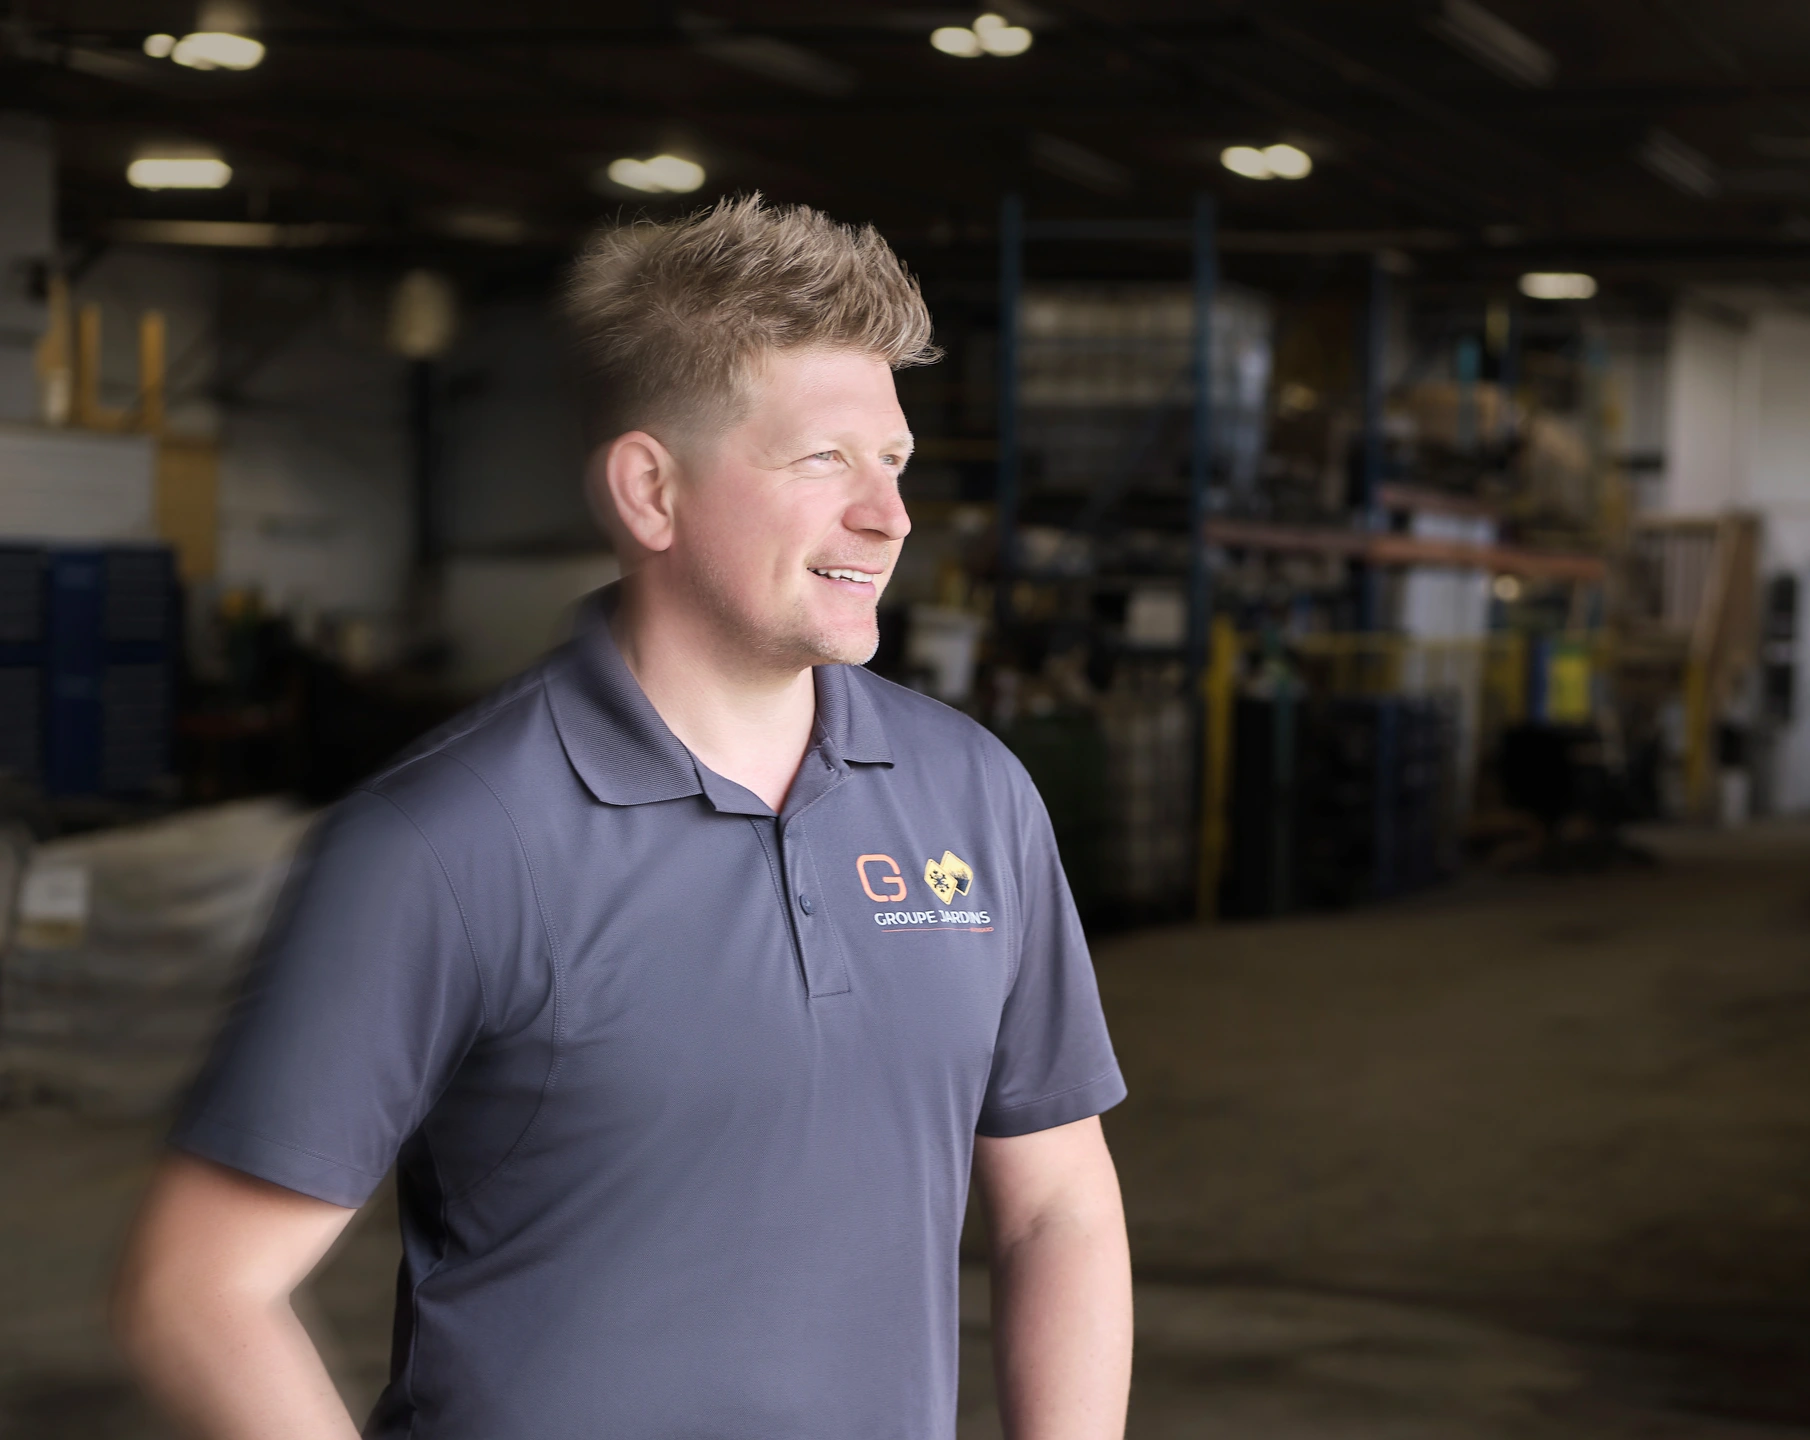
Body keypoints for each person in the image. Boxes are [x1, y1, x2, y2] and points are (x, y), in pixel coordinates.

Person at [114, 196, 1132, 1440]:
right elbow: (201, 1291)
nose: (890, 515)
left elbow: (1057, 1203)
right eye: (825, 460)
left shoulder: (973, 795)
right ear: (650, 490)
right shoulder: (446, 843)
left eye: (895, 462)